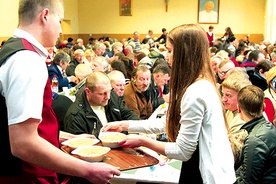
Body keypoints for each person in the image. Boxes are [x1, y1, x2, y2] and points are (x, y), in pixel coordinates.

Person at [0, 0, 120, 183]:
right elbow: (23, 143)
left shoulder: (14, 49)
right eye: (60, 20)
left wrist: (69, 138)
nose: (62, 30)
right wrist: (87, 170)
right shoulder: (26, 60)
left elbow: (25, 125)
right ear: (45, 16)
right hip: (28, 174)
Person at [103, 24, 236, 183]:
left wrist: (142, 141)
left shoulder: (196, 92)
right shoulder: (201, 83)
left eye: (170, 51)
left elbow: (182, 151)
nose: (167, 56)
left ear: (183, 54)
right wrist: (125, 125)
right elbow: (168, 123)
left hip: (208, 175)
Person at [64, 72, 140, 137]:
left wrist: (140, 129)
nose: (108, 97)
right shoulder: (75, 116)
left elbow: (128, 114)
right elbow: (78, 146)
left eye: (109, 91)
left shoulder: (112, 95)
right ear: (88, 92)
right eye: (101, 94)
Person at [235, 85, 276, 183]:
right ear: (264, 107)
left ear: (239, 109)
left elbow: (249, 182)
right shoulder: (269, 128)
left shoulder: (254, 141)